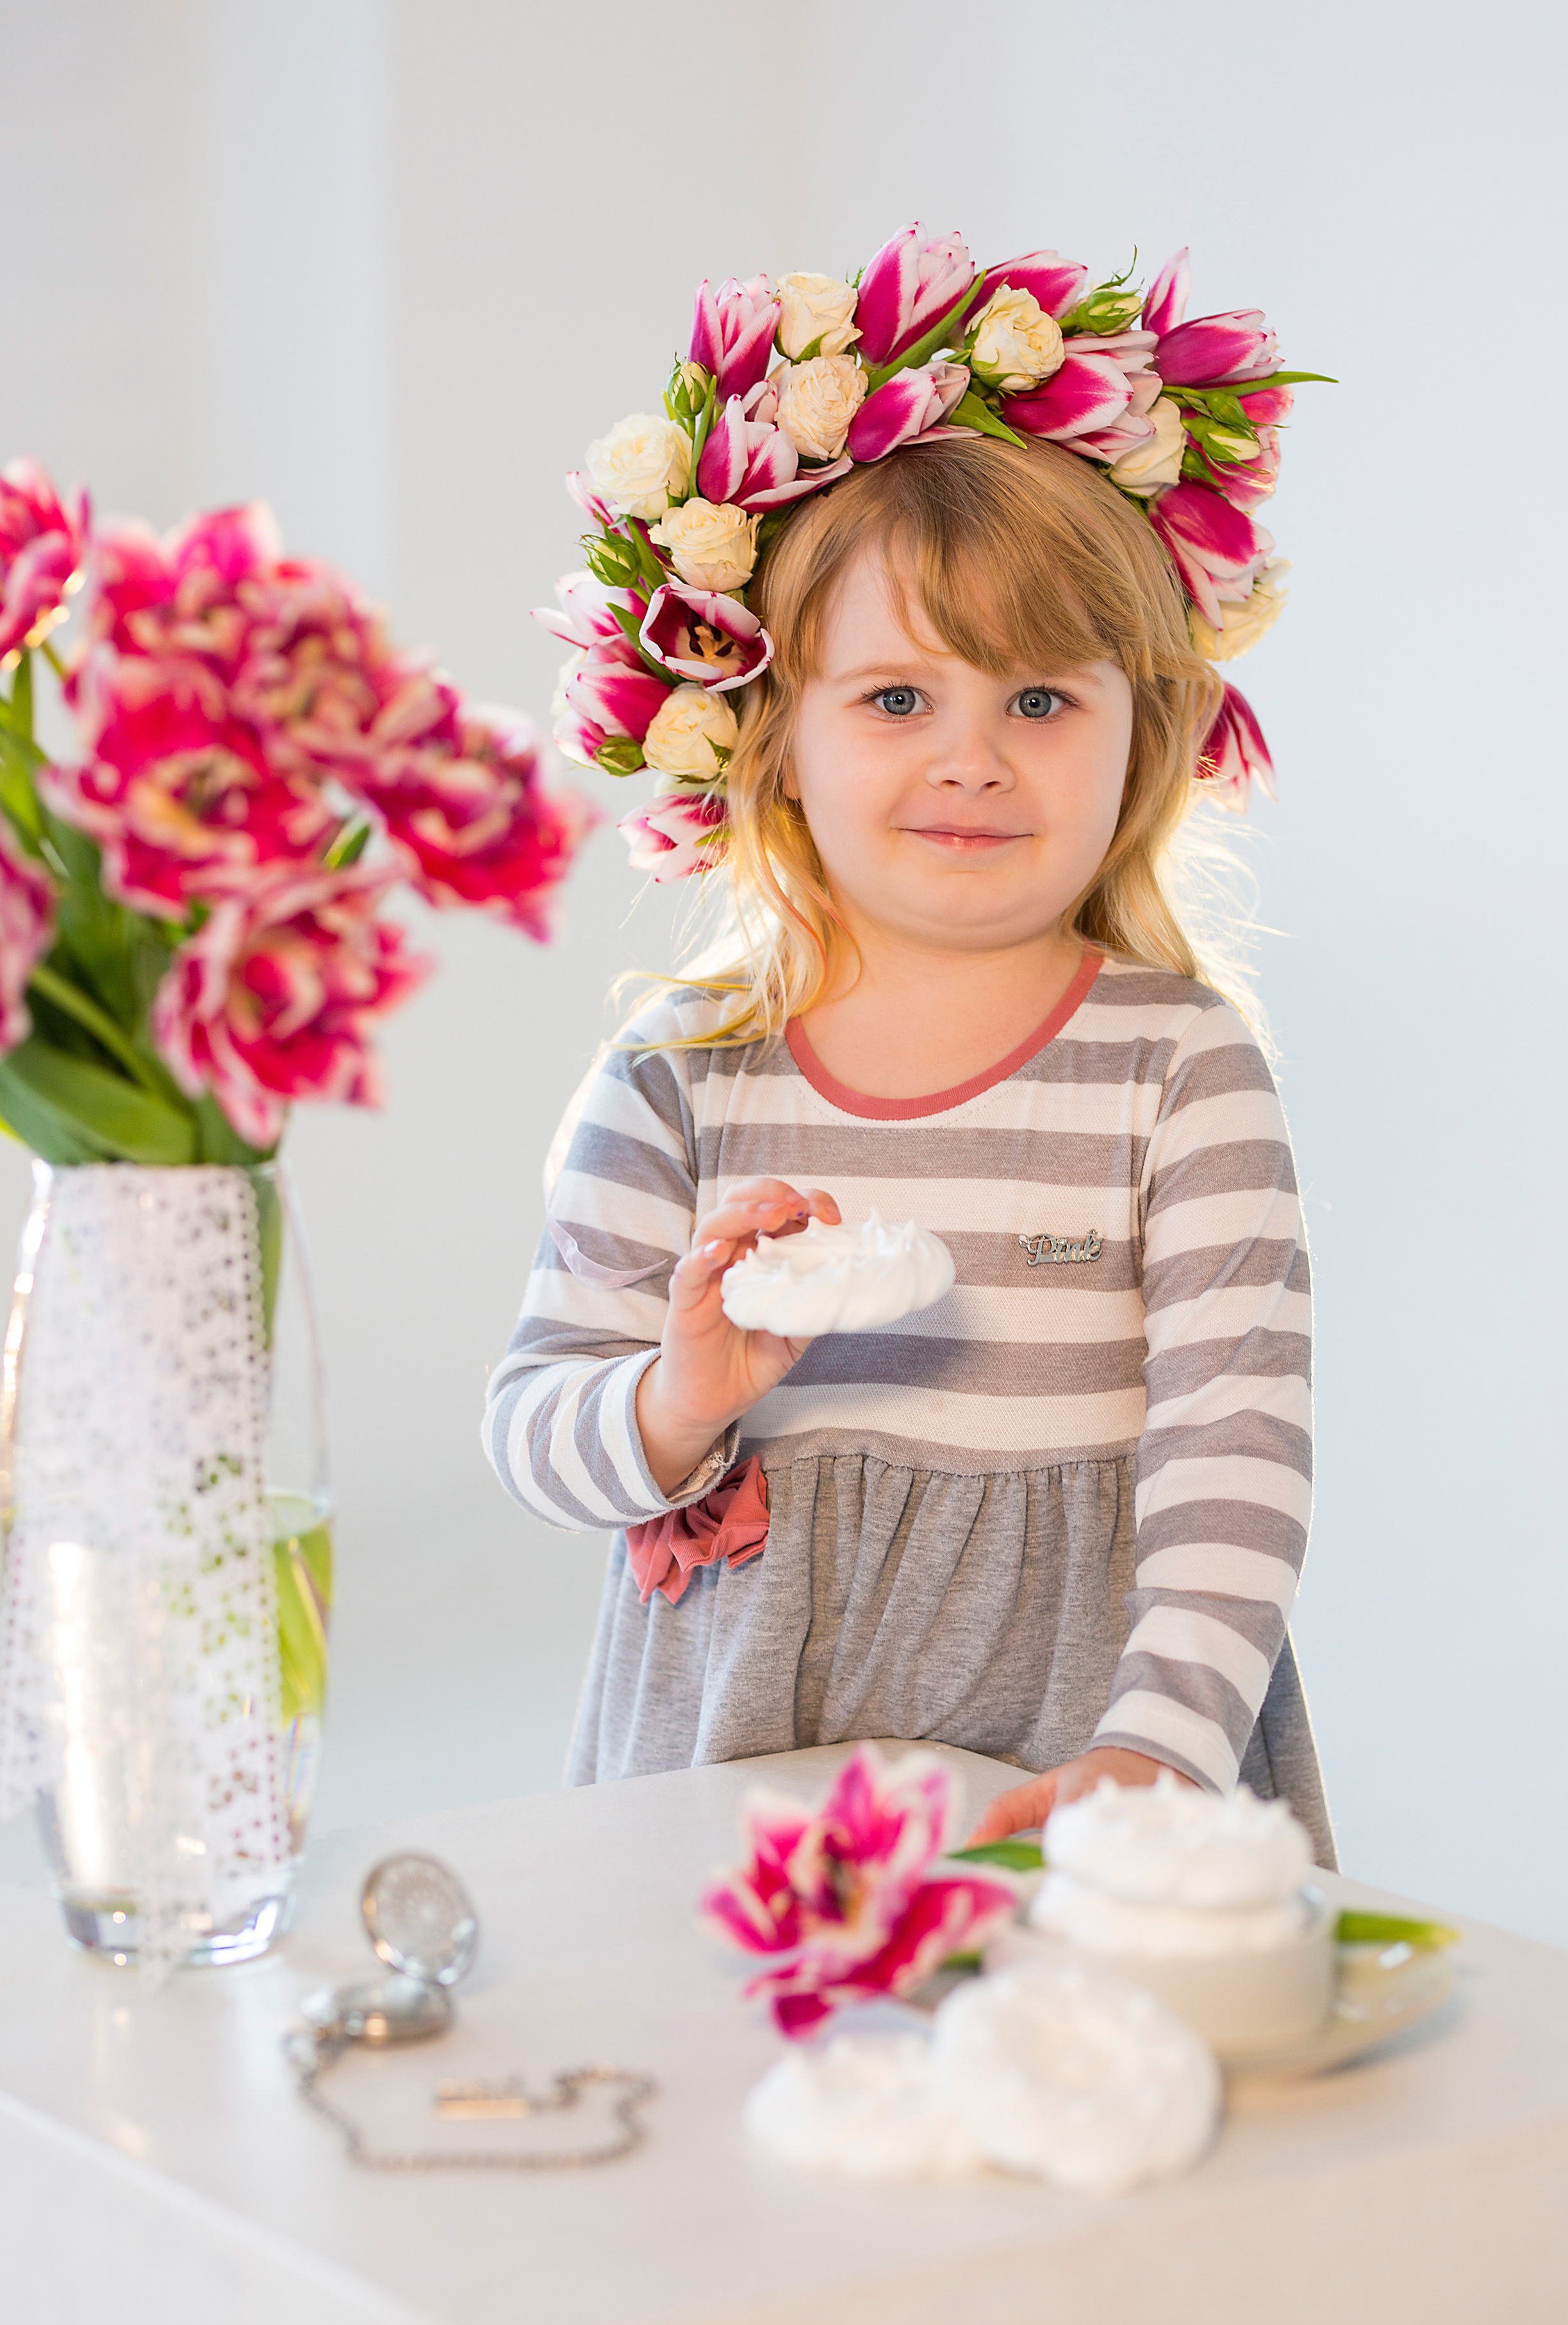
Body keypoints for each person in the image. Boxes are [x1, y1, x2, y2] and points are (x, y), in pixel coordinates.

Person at [483, 230, 1332, 1858]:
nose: (971, 759)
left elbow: (1236, 1452)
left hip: (1081, 1756)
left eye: (1038, 702)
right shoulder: (682, 1074)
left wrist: (1156, 1751)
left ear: (1139, 736)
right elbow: (535, 1434)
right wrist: (675, 1399)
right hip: (737, 1760)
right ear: (774, 739)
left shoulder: (1176, 1067)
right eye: (893, 701)